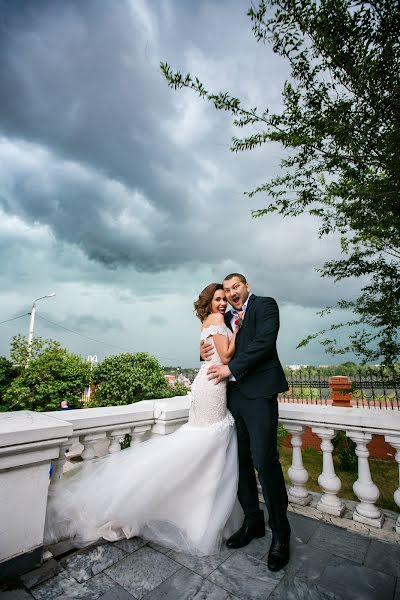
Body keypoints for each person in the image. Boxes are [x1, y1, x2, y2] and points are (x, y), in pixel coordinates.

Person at [44, 283, 243, 556]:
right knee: (210, 439)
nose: (222, 303)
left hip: (206, 384)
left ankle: (188, 507)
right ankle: (198, 515)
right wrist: (238, 332)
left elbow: (209, 350)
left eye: (224, 299)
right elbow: (228, 354)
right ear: (209, 302)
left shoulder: (206, 322)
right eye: (218, 298)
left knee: (202, 440)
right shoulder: (220, 319)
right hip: (213, 385)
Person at [203, 273, 291, 572]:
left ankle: (281, 535)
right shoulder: (224, 317)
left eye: (235, 287)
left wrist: (232, 369)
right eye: (226, 290)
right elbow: (218, 345)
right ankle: (253, 523)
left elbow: (265, 343)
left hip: (259, 394)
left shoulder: (266, 306)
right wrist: (203, 352)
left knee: (265, 462)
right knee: (238, 462)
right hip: (233, 397)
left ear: (247, 287)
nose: (231, 293)